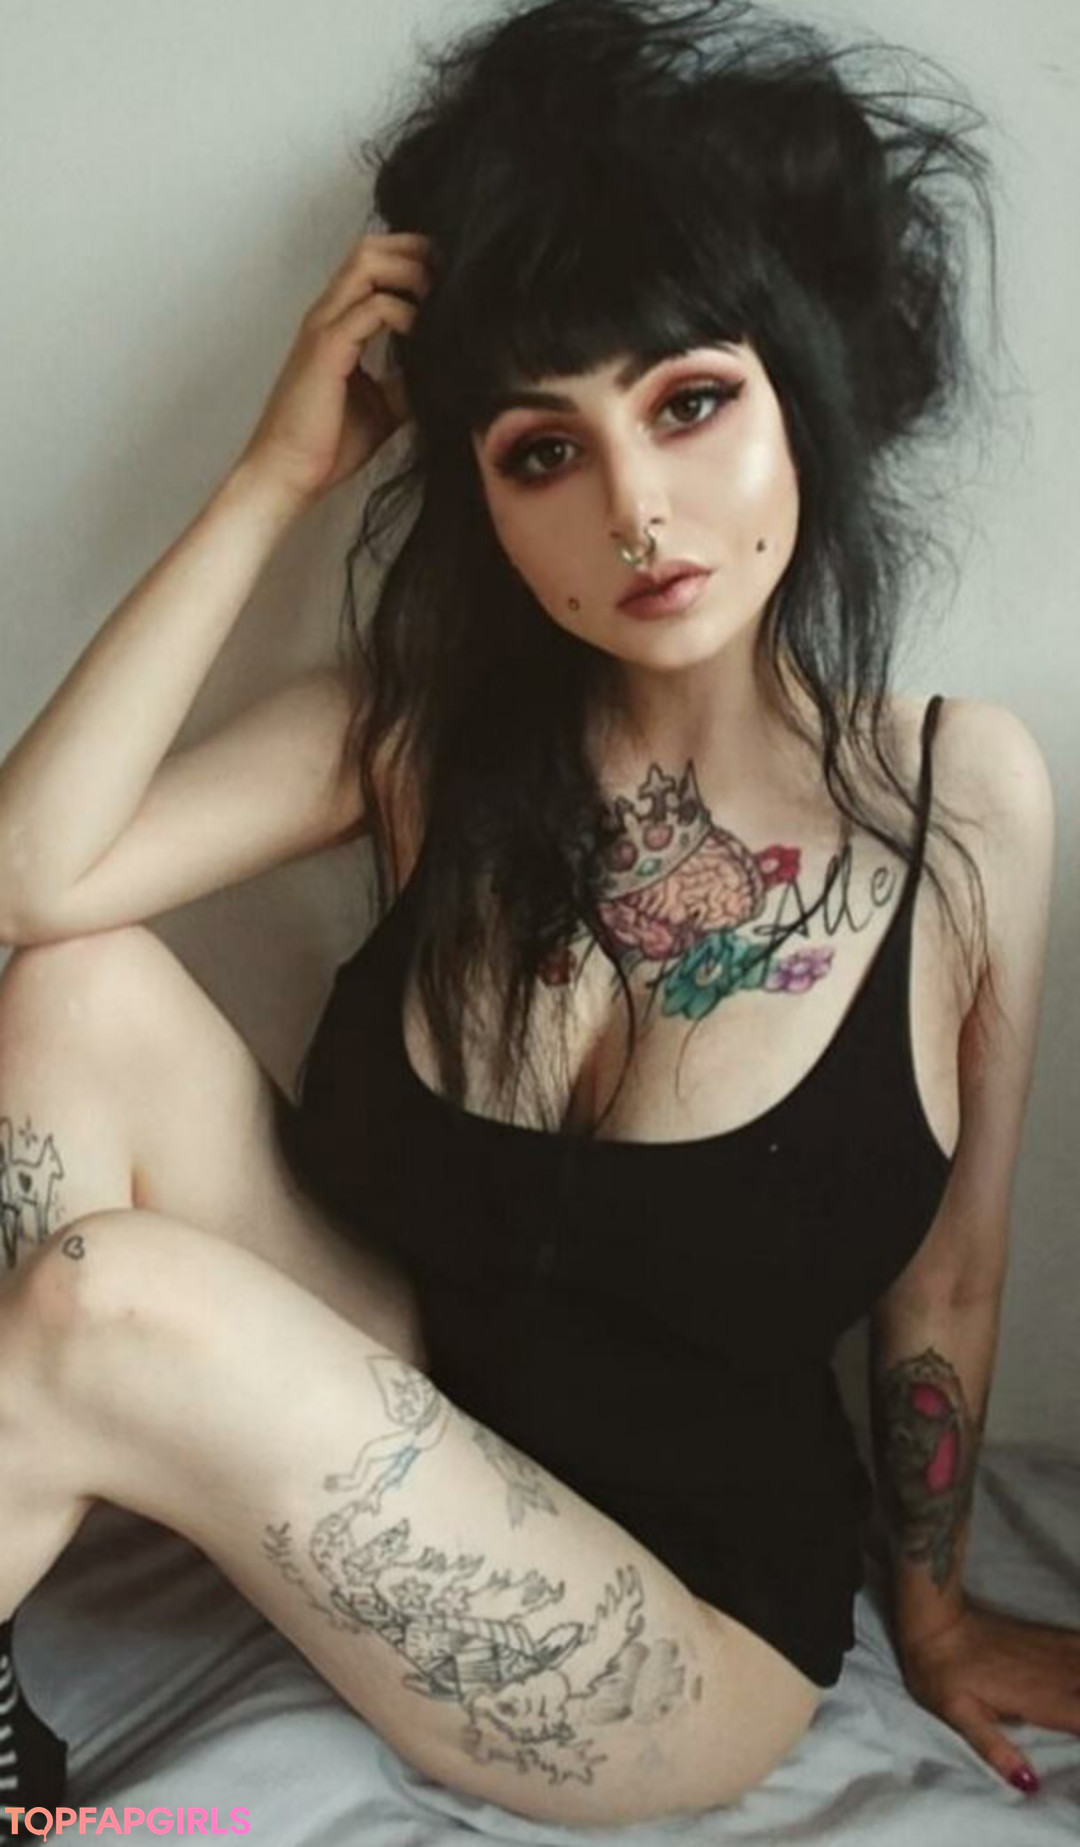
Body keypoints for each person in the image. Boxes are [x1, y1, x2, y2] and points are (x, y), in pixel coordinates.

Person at [0, 0, 1076, 1829]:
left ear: (801, 398)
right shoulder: (423, 730)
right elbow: (35, 878)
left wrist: (939, 1610)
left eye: (691, 403)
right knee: (78, 986)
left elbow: (950, 1276)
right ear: (485, 501)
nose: (637, 511)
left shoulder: (955, 794)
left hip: (681, 1639)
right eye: (542, 451)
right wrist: (273, 479)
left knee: (107, 1303)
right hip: (405, 1430)